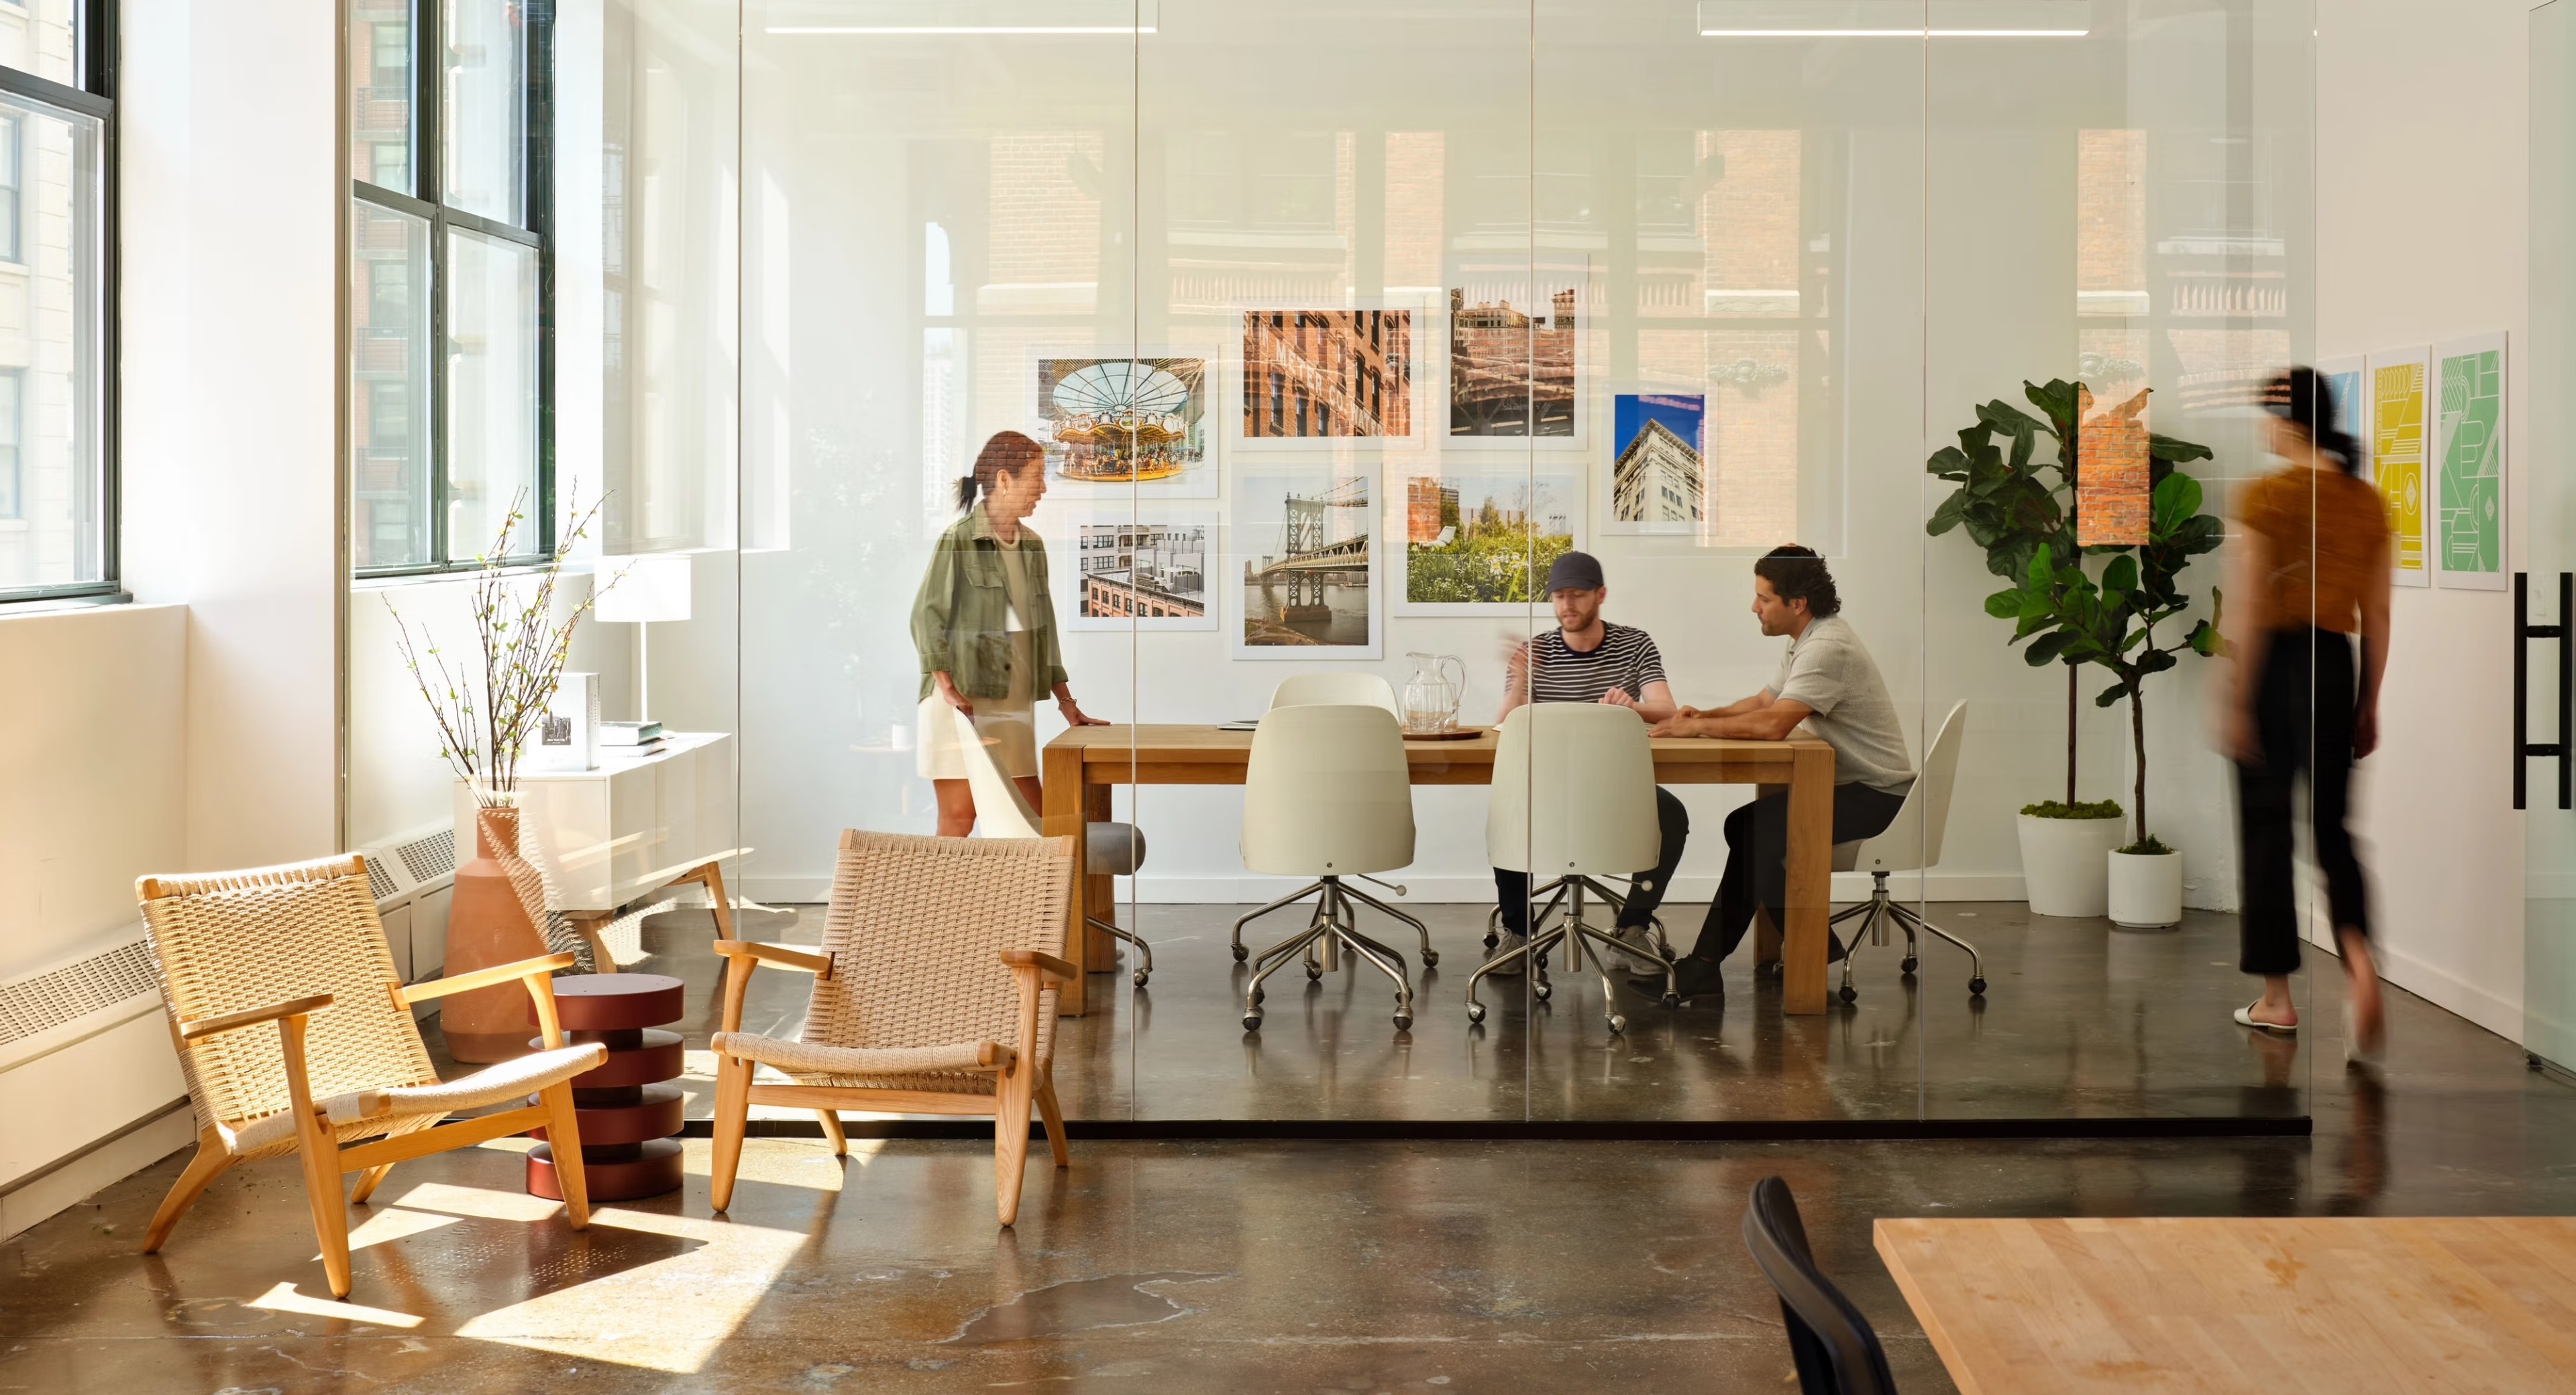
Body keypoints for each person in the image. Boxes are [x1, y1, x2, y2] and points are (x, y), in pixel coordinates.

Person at [1632, 546, 1915, 1001]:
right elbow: (1766, 702)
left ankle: (1708, 966)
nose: (1754, 607)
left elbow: (1774, 725)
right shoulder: (1808, 639)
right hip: (1854, 787)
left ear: (1796, 603)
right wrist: (1701, 715)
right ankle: (1807, 944)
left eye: (1763, 598)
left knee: (1754, 831)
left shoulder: (1827, 647)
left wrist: (1700, 727)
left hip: (1880, 795)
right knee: (1747, 827)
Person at [2222, 367, 2388, 1064]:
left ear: (2288, 423)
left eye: (2267, 416)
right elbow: (2377, 613)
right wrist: (2369, 701)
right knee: (2332, 829)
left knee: (2265, 833)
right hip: (2334, 664)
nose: (2263, 429)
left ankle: (2278, 1000)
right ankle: (2357, 959)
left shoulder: (2266, 496)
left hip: (2275, 667)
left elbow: (2250, 608)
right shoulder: (2366, 503)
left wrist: (2234, 696)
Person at [1487, 551, 1690, 974]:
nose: (1568, 606)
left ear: (1601, 595)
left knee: (1670, 814)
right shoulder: (1536, 650)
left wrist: (1632, 705)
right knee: (1507, 806)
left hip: (1616, 788)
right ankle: (1519, 932)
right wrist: (1522, 679)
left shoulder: (1635, 644)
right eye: (1559, 597)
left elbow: (1668, 711)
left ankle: (1632, 928)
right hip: (1548, 789)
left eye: (1577, 595)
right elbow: (1504, 726)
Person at [910, 431, 1107, 836]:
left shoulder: (1032, 547)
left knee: (1038, 826)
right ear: (1004, 479)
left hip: (1013, 706)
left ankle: (1027, 902)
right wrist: (945, 686)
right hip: (963, 705)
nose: (1043, 487)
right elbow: (926, 616)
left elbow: (1043, 631)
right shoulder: (959, 541)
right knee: (959, 819)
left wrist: (1066, 703)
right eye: (1036, 476)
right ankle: (944, 902)